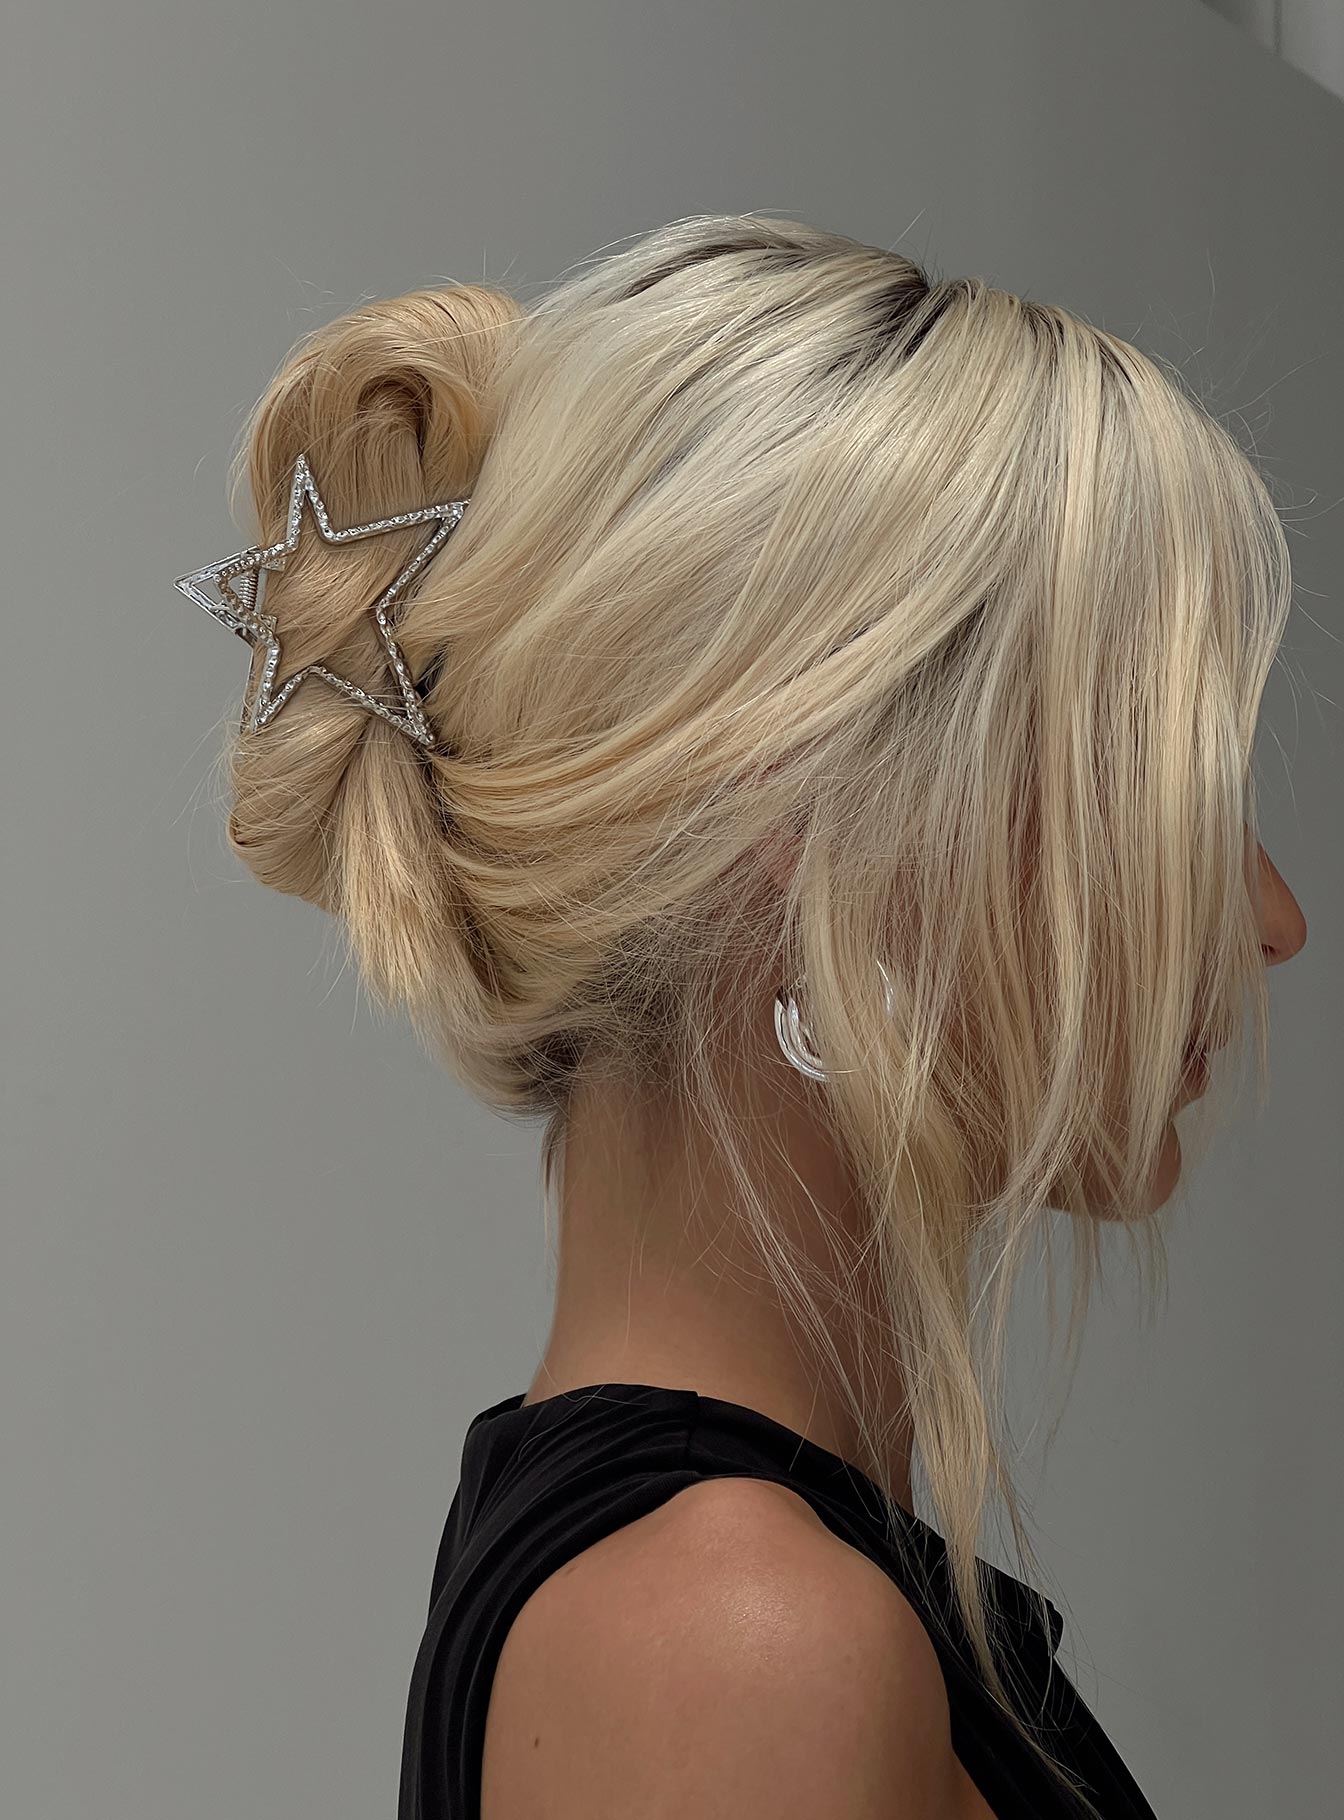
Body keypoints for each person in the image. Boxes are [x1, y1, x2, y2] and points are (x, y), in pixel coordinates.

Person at [208, 214, 1308, 1818]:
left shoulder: (700, 1589)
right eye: (1144, 781)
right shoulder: (740, 1647)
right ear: (810, 815)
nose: (1272, 918)